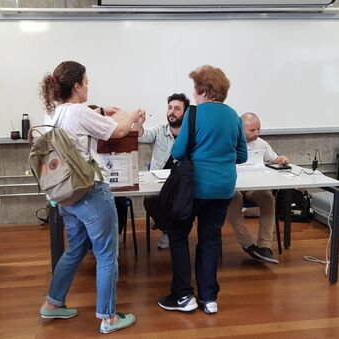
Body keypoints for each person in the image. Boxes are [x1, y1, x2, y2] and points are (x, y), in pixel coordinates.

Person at [38, 61, 141, 334]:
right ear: (76, 86)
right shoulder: (79, 112)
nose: (88, 86)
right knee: (107, 255)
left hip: (66, 196)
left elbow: (98, 122)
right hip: (91, 193)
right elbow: (118, 130)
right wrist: (132, 114)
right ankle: (108, 318)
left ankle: (53, 303)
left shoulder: (53, 113)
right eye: (86, 82)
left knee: (74, 250)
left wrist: (104, 112)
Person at [158, 65, 247, 315]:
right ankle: (209, 298)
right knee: (210, 238)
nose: (195, 95)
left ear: (204, 91)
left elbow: (177, 152)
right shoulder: (233, 116)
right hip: (223, 188)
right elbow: (241, 156)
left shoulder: (194, 115)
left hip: (195, 187)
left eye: (196, 91)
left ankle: (183, 295)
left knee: (178, 235)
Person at [227, 112, 289, 265]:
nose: (257, 133)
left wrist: (281, 159)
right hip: (234, 186)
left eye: (258, 129)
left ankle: (264, 246)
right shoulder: (229, 142)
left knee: (268, 198)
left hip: (254, 186)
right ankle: (248, 244)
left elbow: (273, 158)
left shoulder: (261, 143)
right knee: (234, 199)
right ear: (241, 129)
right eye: (252, 130)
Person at [135, 93, 190, 249]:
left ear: (185, 113)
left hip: (181, 183)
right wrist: (139, 123)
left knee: (181, 202)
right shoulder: (159, 130)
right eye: (170, 108)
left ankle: (165, 225)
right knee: (150, 200)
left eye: (177, 109)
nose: (171, 112)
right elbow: (141, 136)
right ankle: (167, 230)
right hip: (158, 183)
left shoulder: (191, 134)